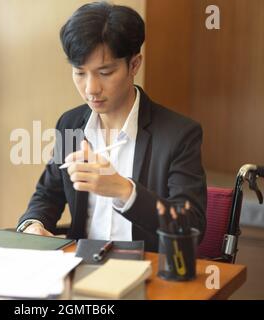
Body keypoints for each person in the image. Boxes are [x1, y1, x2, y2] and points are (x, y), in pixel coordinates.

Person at [17, 2, 206, 252]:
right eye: (80, 72)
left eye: (105, 72)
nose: (91, 88)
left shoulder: (179, 135)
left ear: (134, 65)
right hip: (81, 267)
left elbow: (191, 226)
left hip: (149, 271)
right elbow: (48, 195)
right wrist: (34, 225)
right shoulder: (70, 125)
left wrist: (124, 190)